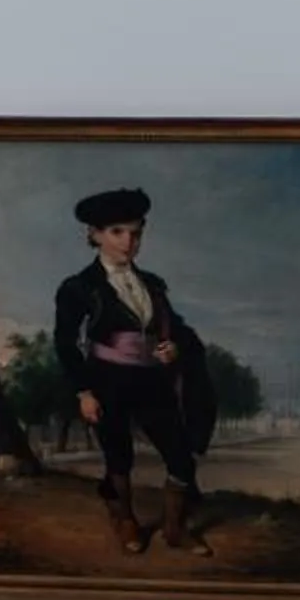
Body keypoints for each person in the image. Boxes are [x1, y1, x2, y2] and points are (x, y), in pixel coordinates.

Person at [53, 187, 216, 555]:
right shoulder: (79, 287)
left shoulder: (153, 285)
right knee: (118, 457)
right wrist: (83, 392)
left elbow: (174, 327)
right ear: (94, 235)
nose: (129, 242)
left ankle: (174, 529)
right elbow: (64, 344)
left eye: (136, 232)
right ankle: (126, 520)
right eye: (117, 232)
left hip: (151, 381)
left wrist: (175, 346)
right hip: (106, 381)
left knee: (180, 456)